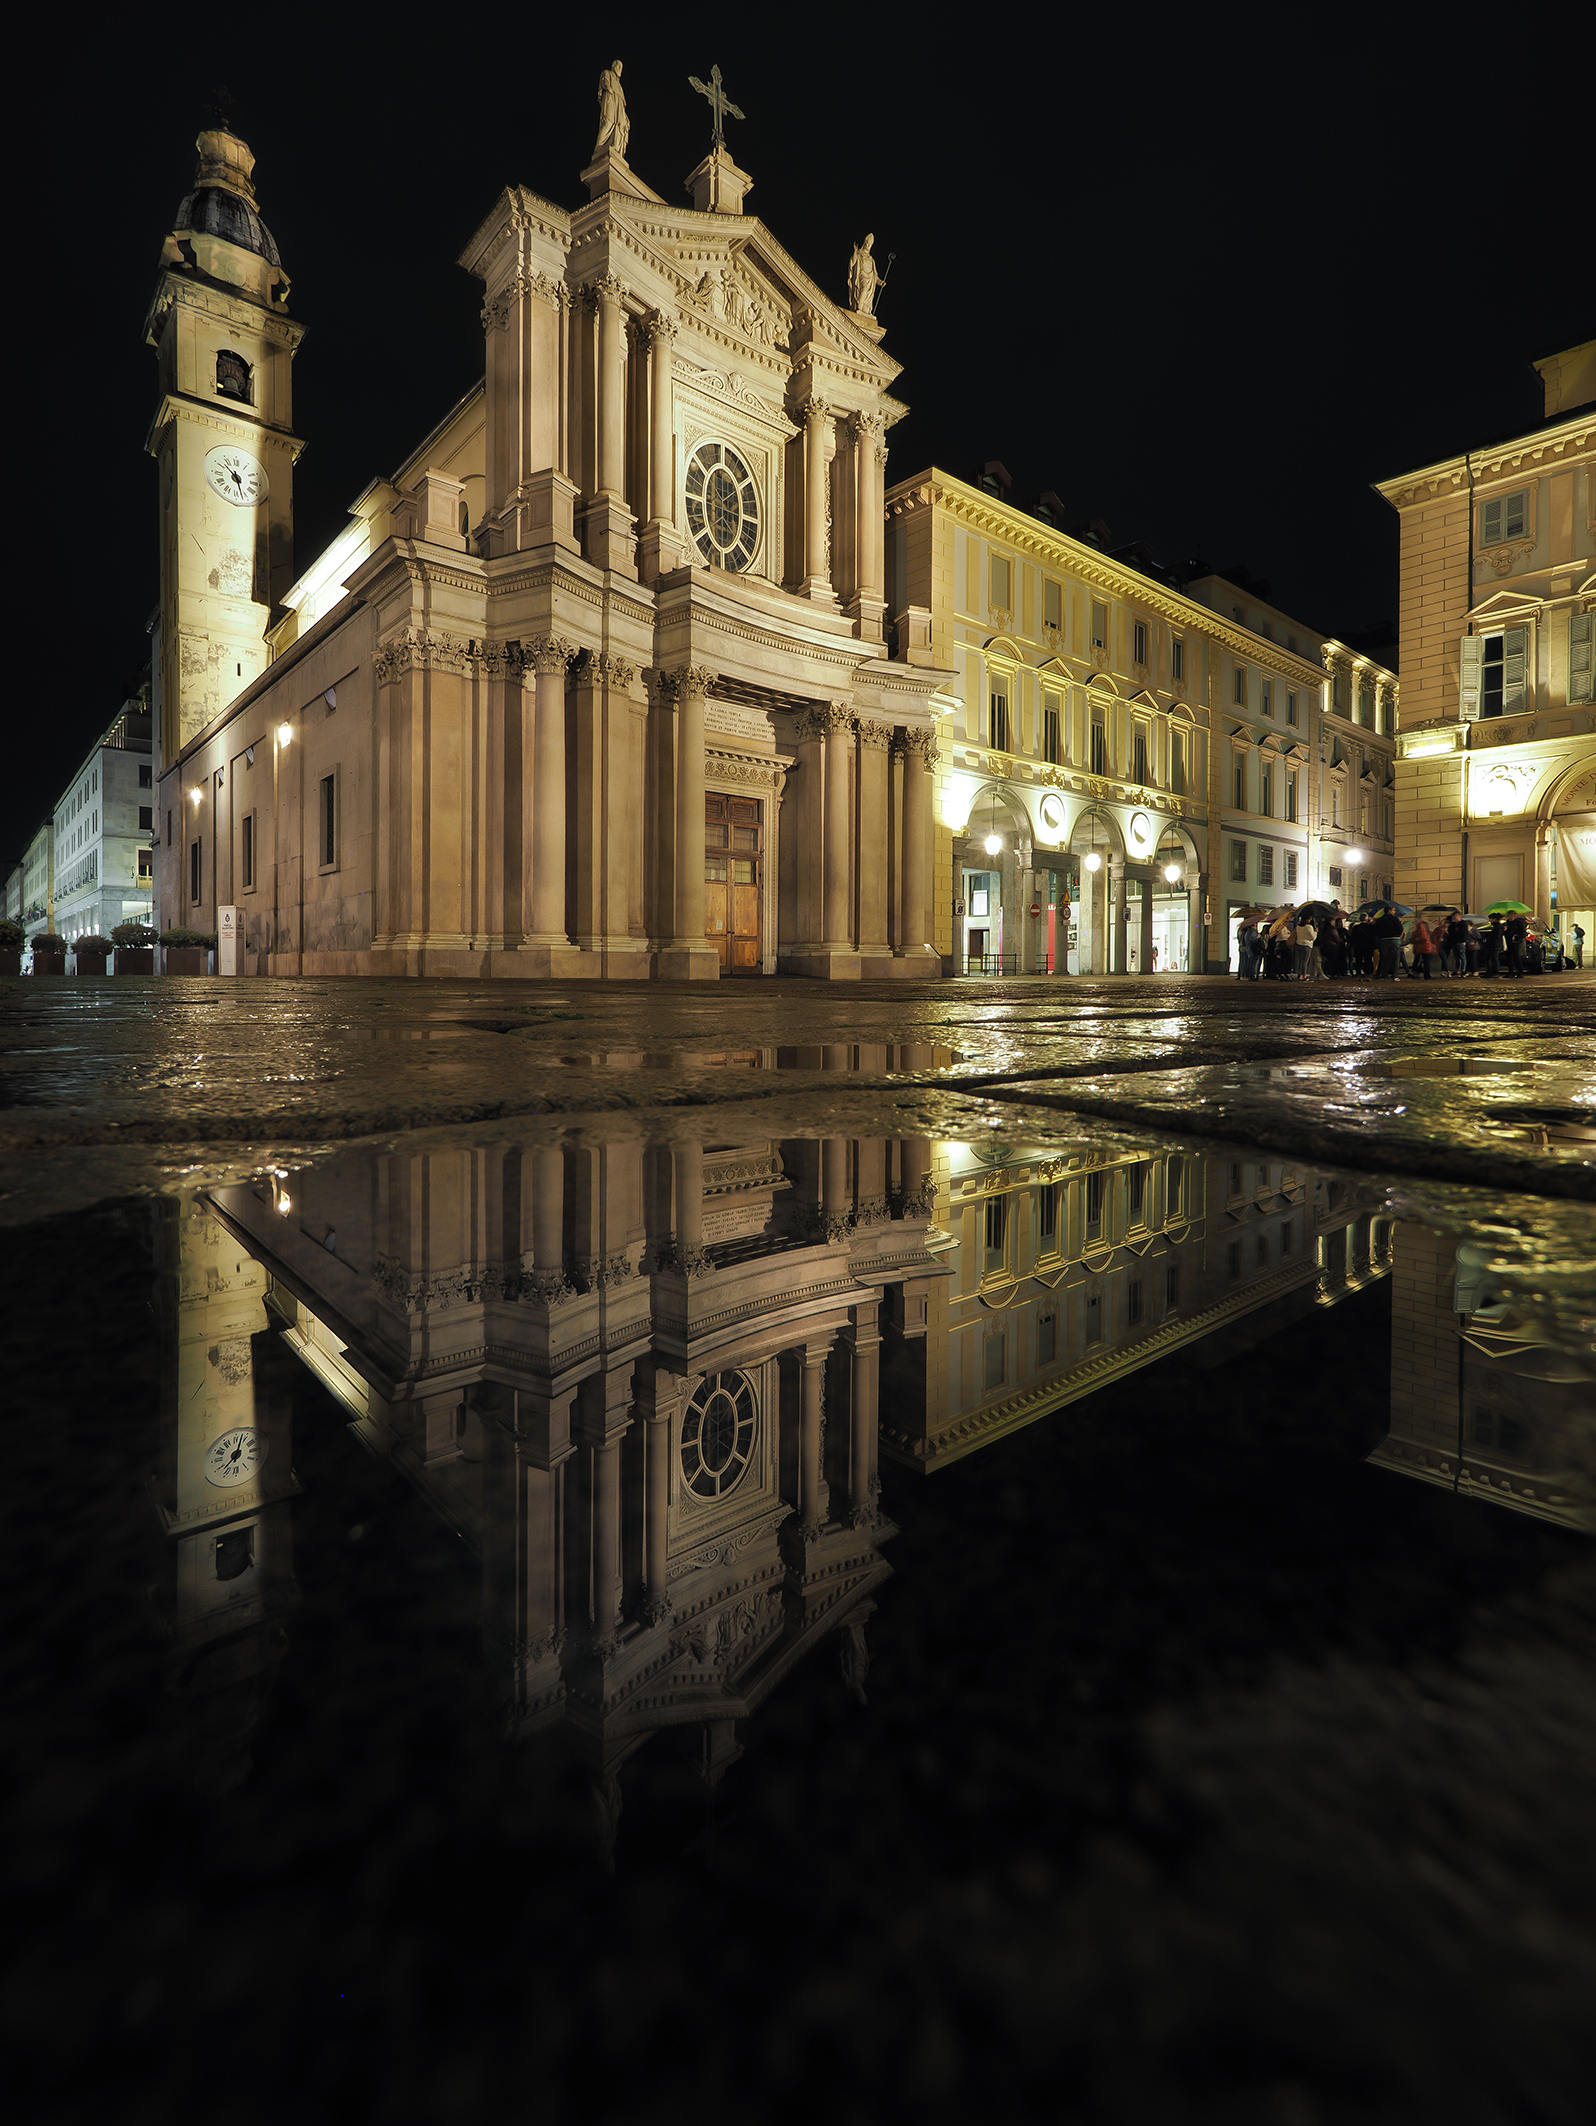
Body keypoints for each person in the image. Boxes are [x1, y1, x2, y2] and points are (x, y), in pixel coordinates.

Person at [1373, 904, 1404, 978]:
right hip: (1395, 939)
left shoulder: (1380, 920)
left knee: (1384, 958)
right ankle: (1394, 974)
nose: (1394, 912)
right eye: (1393, 910)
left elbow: (1376, 931)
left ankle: (1384, 974)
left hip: (1384, 940)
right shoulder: (1395, 919)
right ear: (1389, 910)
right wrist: (1397, 934)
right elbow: (1400, 929)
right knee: (1396, 958)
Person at [1411, 915, 1438, 980]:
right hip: (1425, 945)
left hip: (1418, 946)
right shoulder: (1423, 925)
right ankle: (1426, 974)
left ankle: (1415, 973)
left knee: (1417, 960)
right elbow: (1424, 937)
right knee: (1426, 961)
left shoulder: (1414, 926)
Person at [1292, 913, 1317, 981]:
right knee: (1305, 961)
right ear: (1308, 919)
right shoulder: (1309, 927)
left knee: (1299, 960)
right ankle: (1304, 975)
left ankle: (1299, 974)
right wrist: (1315, 932)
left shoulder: (1298, 926)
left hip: (1298, 943)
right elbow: (1313, 937)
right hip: (1307, 945)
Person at [1505, 911, 1529, 977]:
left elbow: (1523, 933)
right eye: (1509, 915)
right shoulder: (1506, 923)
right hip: (1508, 941)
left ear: (1515, 916)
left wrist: (1517, 938)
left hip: (1516, 942)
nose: (1511, 917)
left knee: (1517, 957)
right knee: (1509, 957)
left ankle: (1520, 972)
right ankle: (1511, 972)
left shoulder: (1519, 923)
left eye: (1512, 915)